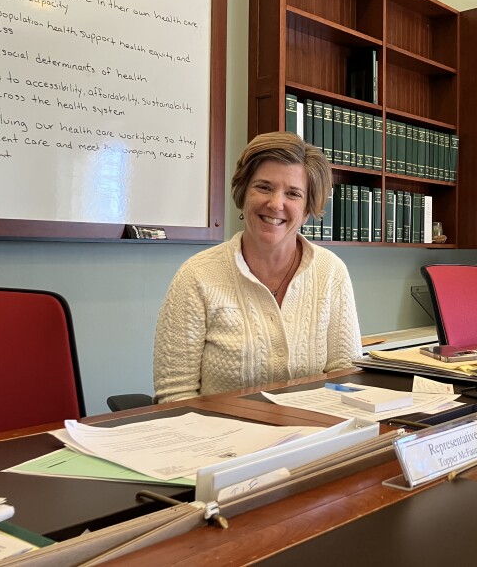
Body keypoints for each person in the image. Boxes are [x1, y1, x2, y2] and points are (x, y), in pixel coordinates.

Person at [153, 132, 362, 403]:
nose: (276, 204)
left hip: (312, 436)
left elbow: (346, 379)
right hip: (222, 438)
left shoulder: (331, 272)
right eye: (264, 187)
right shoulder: (197, 276)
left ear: (308, 209)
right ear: (243, 193)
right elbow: (175, 395)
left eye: (293, 193)